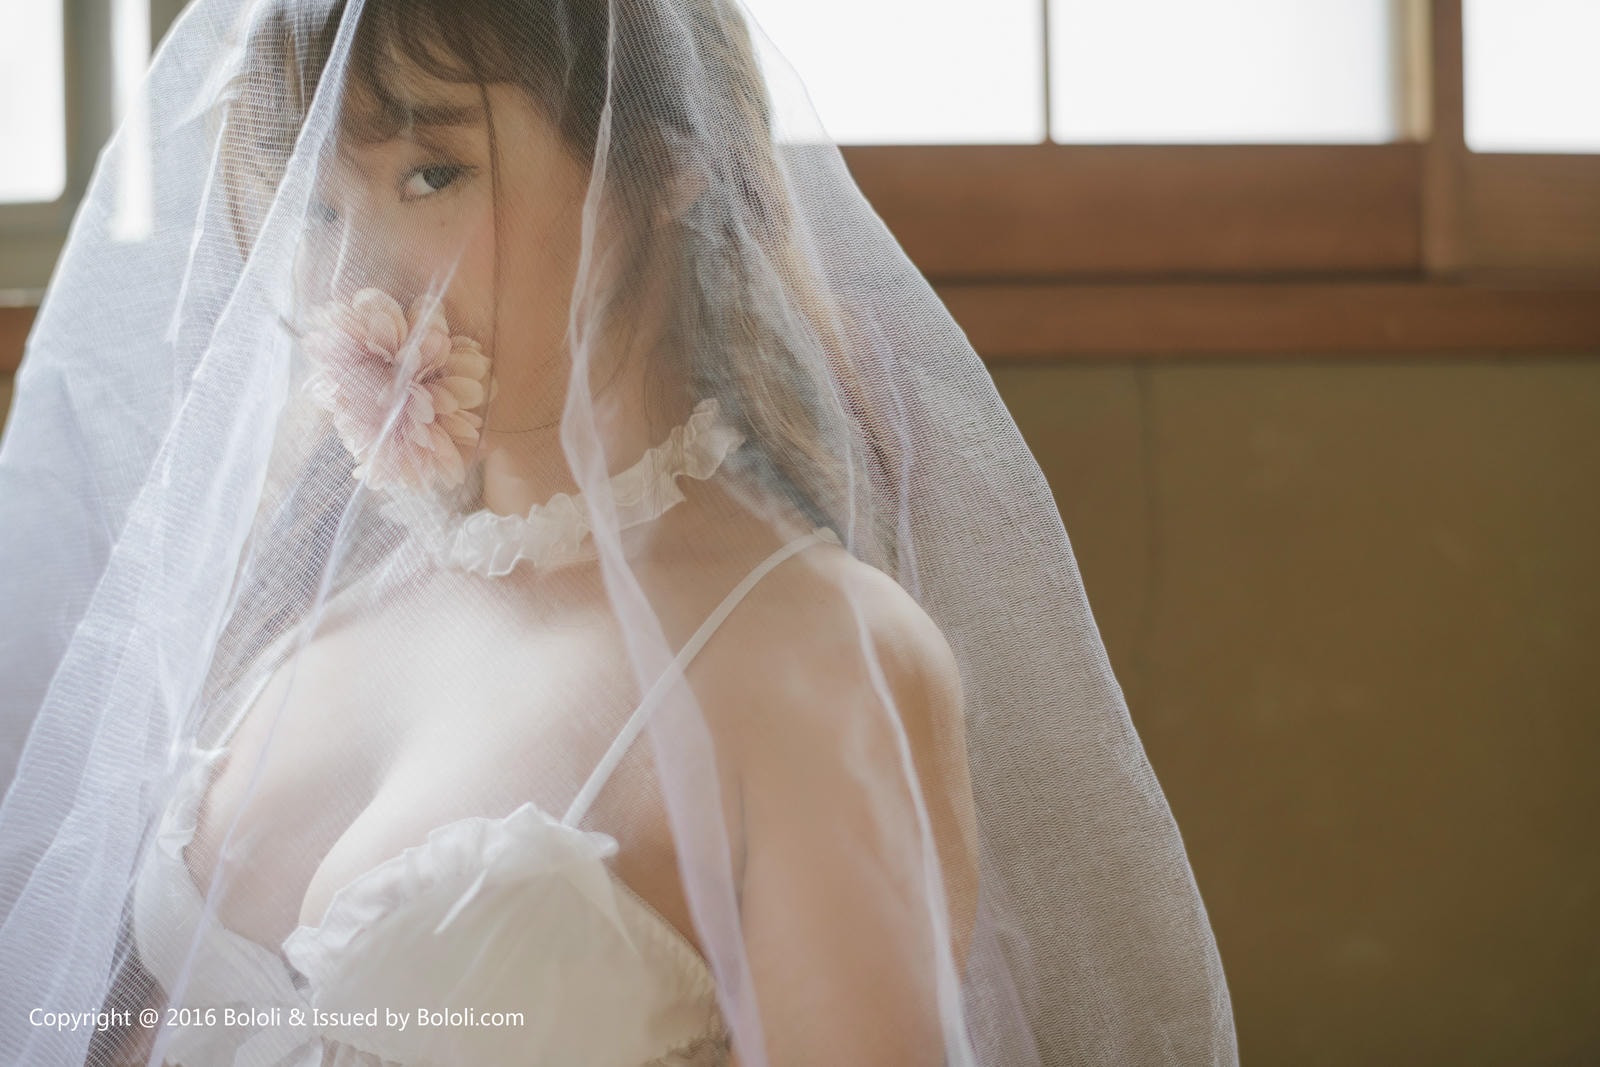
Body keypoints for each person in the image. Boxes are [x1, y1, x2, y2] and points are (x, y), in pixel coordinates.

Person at [0, 1, 1239, 1064]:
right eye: (318, 209)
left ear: (662, 164)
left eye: (432, 174)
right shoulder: (299, 597)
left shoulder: (815, 659)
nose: (359, 272)